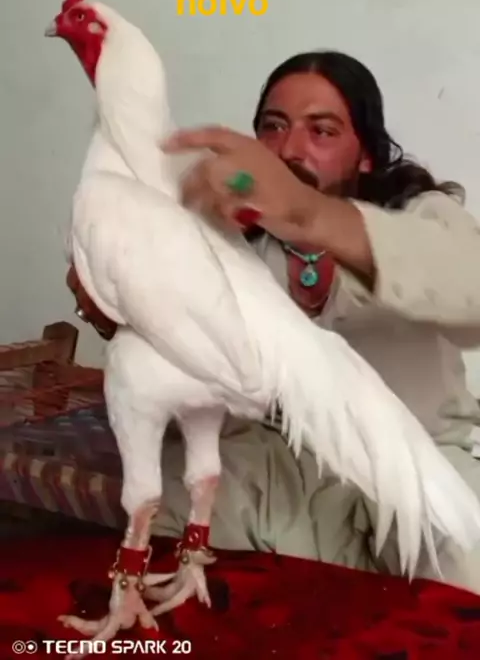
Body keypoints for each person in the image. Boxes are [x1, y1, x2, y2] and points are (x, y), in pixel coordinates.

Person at [67, 49, 480, 592]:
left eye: (322, 131)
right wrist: (110, 312)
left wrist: (308, 213)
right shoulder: (225, 237)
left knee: (467, 567)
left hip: (417, 464)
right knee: (168, 538)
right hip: (271, 468)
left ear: (366, 155)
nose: (289, 149)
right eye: (273, 127)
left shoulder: (424, 218)